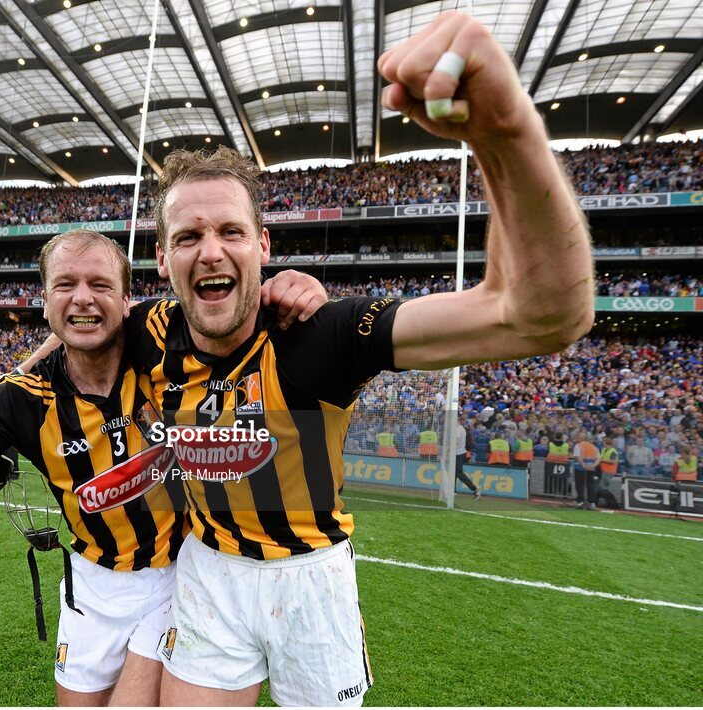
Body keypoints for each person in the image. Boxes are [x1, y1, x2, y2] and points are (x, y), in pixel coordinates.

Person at [127, 11, 594, 705]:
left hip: (310, 579)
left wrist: (506, 135)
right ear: (163, 258)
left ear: (264, 247)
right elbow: (72, 319)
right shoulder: (147, 331)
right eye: (188, 236)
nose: (211, 250)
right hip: (207, 573)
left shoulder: (322, 335)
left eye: (231, 231)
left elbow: (541, 315)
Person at [0, 230, 326, 706]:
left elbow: (229, 308)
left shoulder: (164, 343)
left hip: (177, 575)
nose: (82, 298)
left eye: (100, 285)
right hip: (91, 583)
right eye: (65, 285)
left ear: (127, 301)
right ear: (44, 301)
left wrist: (290, 290)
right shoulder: (20, 400)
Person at [571, 433, 601, 509]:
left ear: (582, 438)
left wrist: (584, 465)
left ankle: (580, 501)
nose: (578, 439)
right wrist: (593, 465)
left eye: (579, 437)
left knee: (579, 485)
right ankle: (591, 502)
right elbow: (598, 459)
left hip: (580, 468)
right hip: (591, 469)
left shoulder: (578, 446)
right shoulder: (594, 447)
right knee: (590, 486)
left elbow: (577, 456)